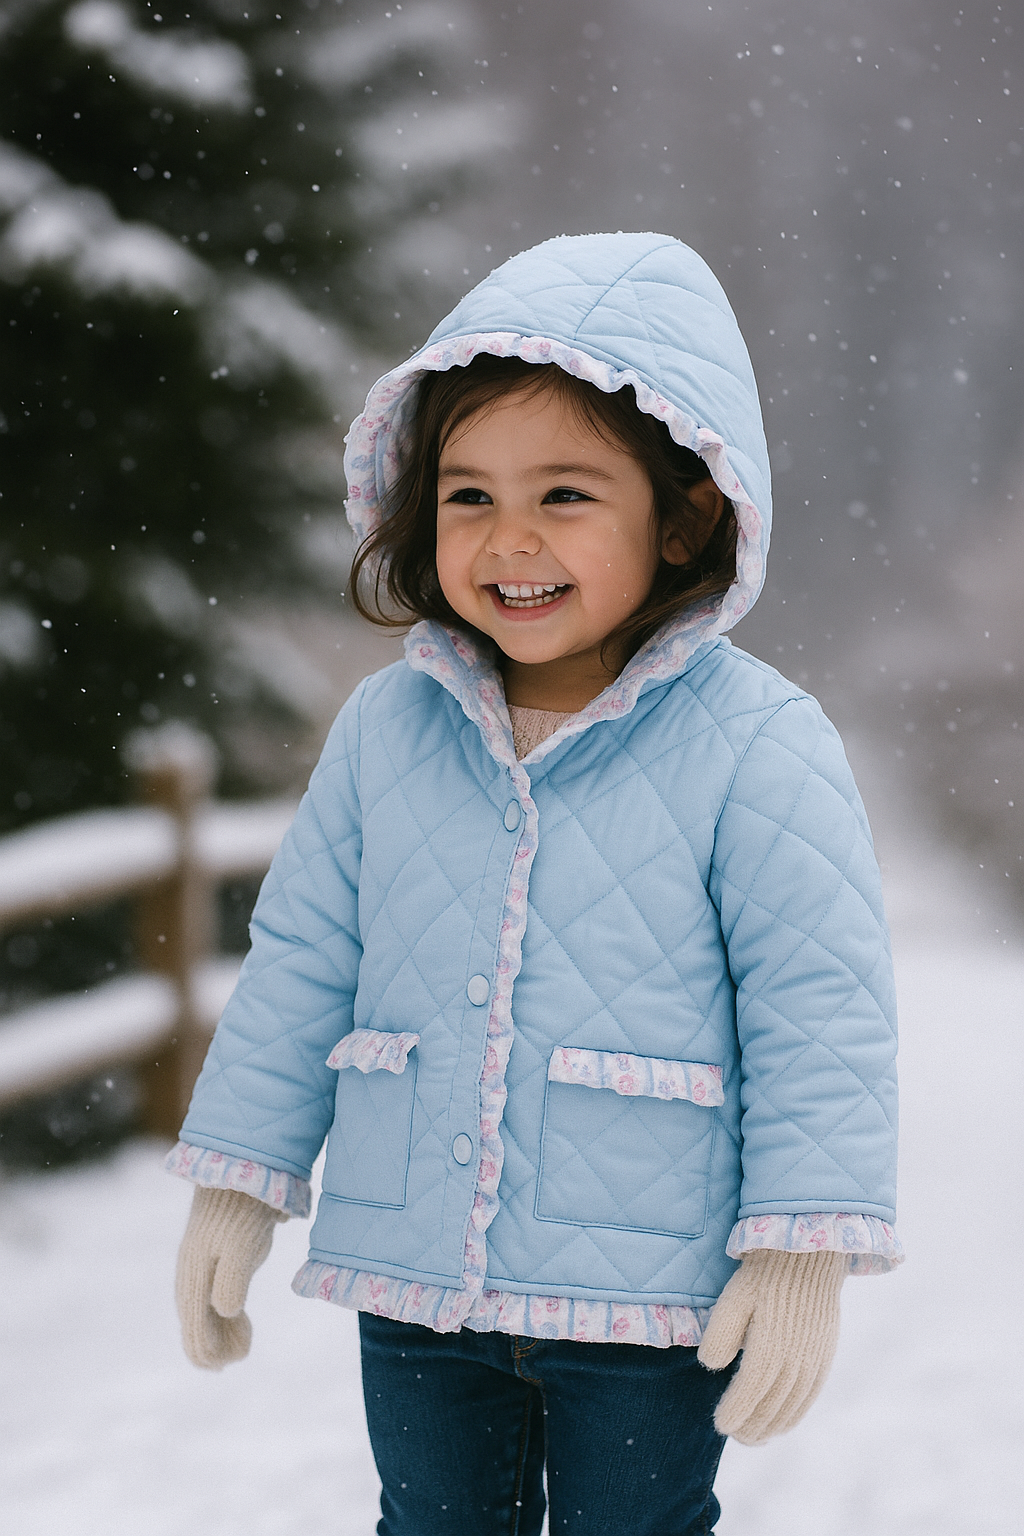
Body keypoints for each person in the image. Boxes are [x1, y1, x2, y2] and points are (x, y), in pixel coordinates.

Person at [169, 232, 902, 1534]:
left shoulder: (759, 740)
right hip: (415, 1283)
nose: (511, 539)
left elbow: (817, 1004)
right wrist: (240, 1179)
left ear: (684, 514)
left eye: (565, 495)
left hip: (649, 1295)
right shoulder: (386, 731)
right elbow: (302, 960)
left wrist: (801, 1244)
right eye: (467, 496)